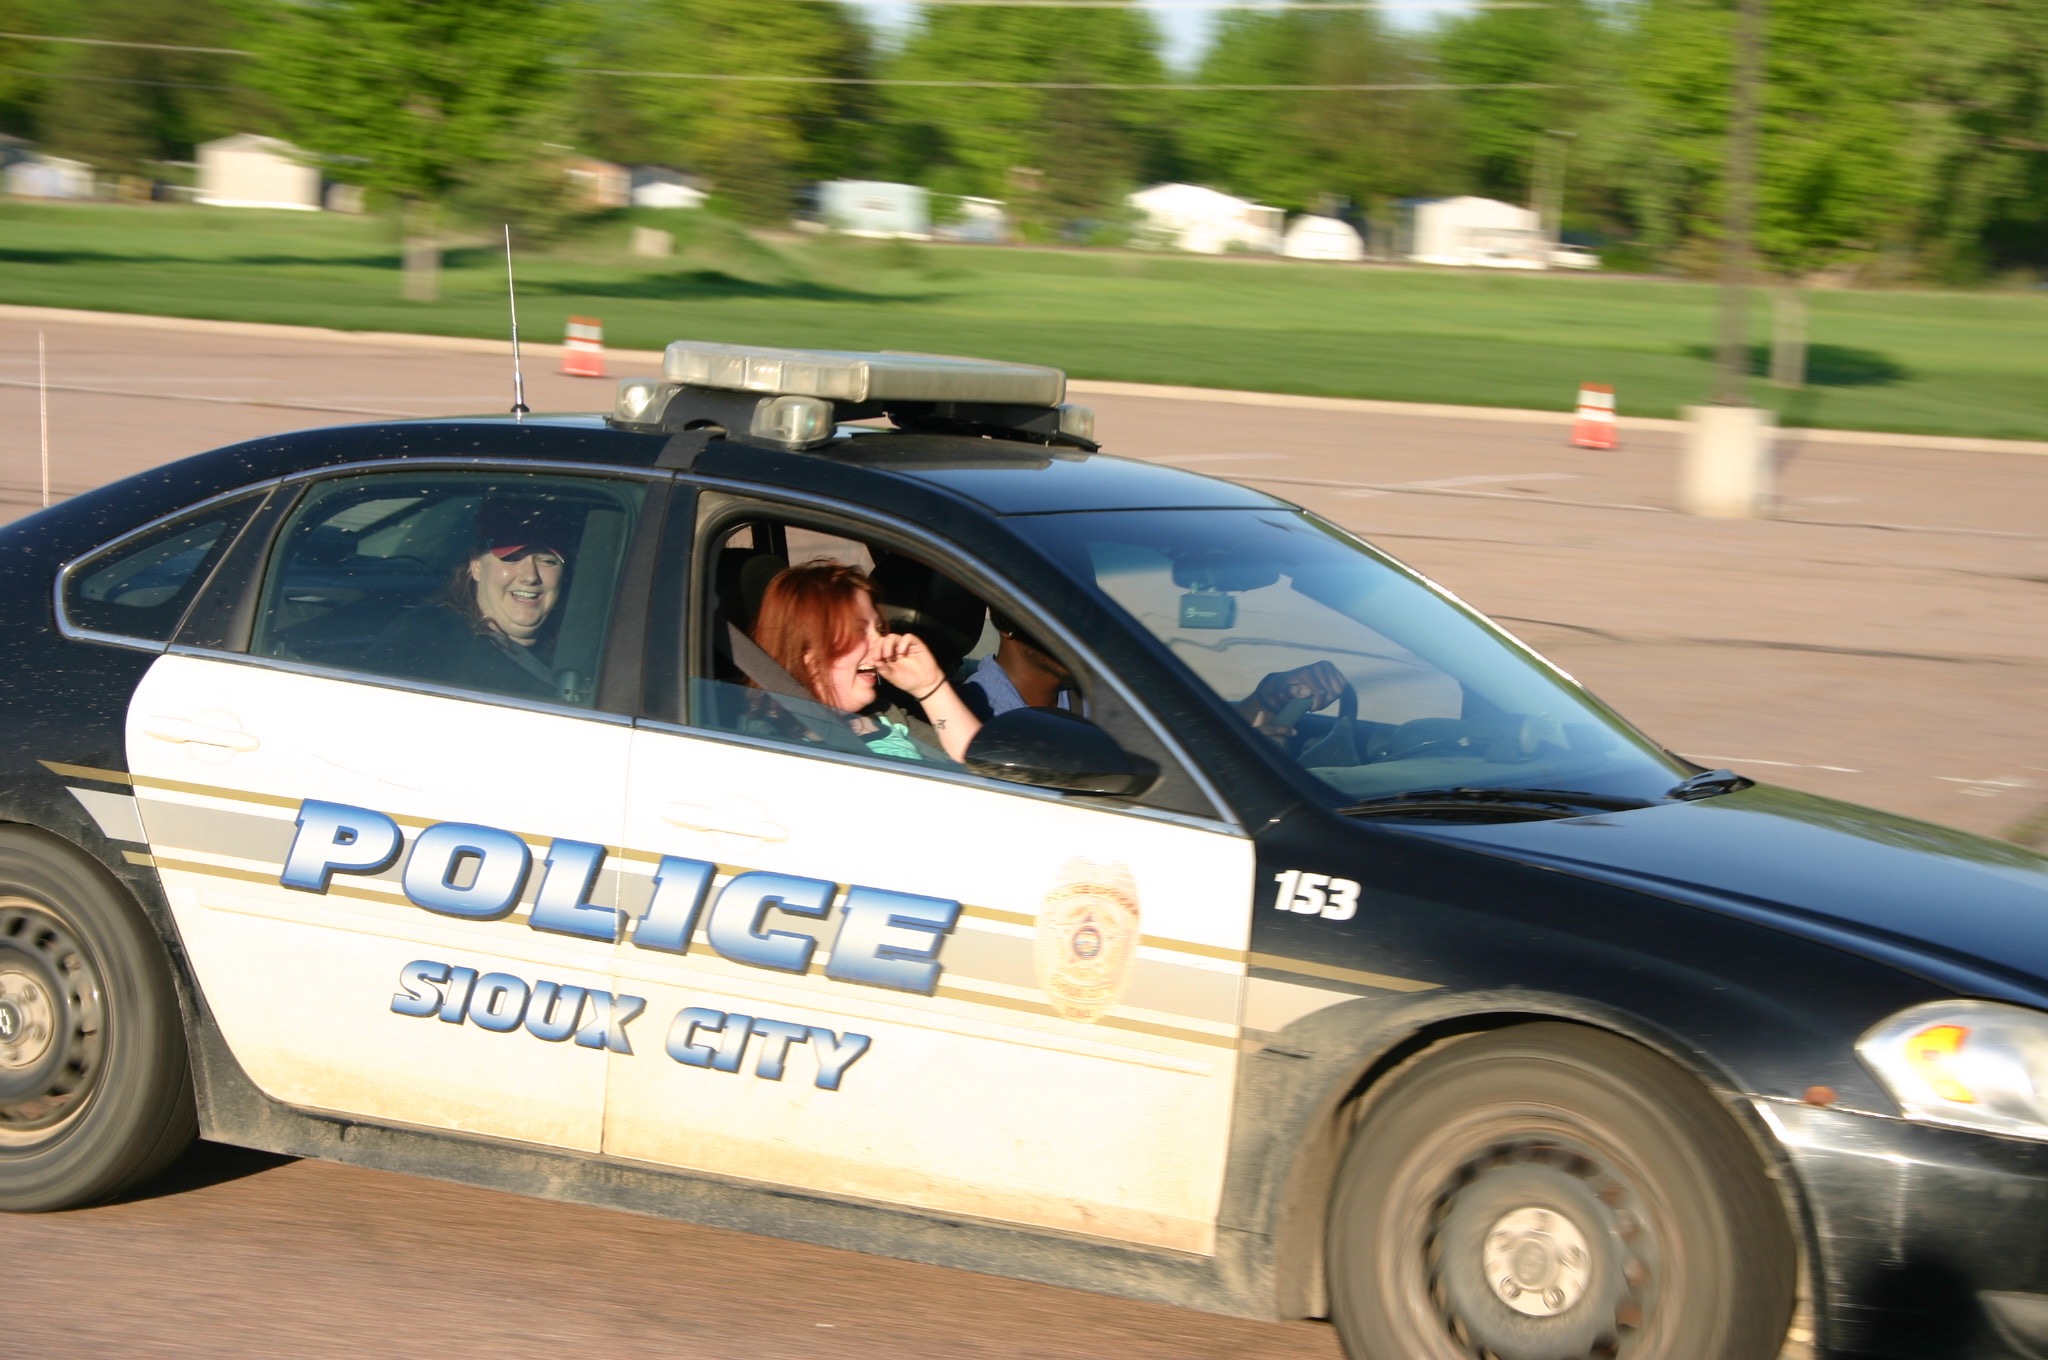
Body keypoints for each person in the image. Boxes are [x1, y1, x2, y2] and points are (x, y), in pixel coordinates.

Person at [749, 560, 982, 763]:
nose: (881, 641)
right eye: (859, 632)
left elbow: (983, 766)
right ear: (807, 653)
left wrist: (931, 687)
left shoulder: (884, 715)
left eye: (880, 628)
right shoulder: (770, 742)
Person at [366, 497, 572, 700]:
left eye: (547, 561)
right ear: (476, 565)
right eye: (511, 559)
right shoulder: (428, 634)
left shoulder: (586, 644)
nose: (530, 576)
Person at [959, 610, 1082, 723]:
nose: (1080, 632)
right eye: (1061, 616)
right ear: (1006, 623)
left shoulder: (1091, 695)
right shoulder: (970, 716)